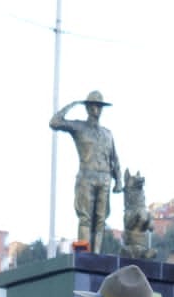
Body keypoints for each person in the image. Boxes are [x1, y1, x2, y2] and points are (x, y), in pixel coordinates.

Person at [50, 90, 122, 247]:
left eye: (99, 106)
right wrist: (72, 105)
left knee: (101, 219)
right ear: (87, 108)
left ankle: (96, 253)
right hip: (86, 177)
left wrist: (119, 180)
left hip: (104, 178)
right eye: (92, 106)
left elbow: (114, 158)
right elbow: (54, 122)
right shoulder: (79, 127)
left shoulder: (107, 134)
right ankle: (85, 253)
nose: (96, 110)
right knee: (85, 217)